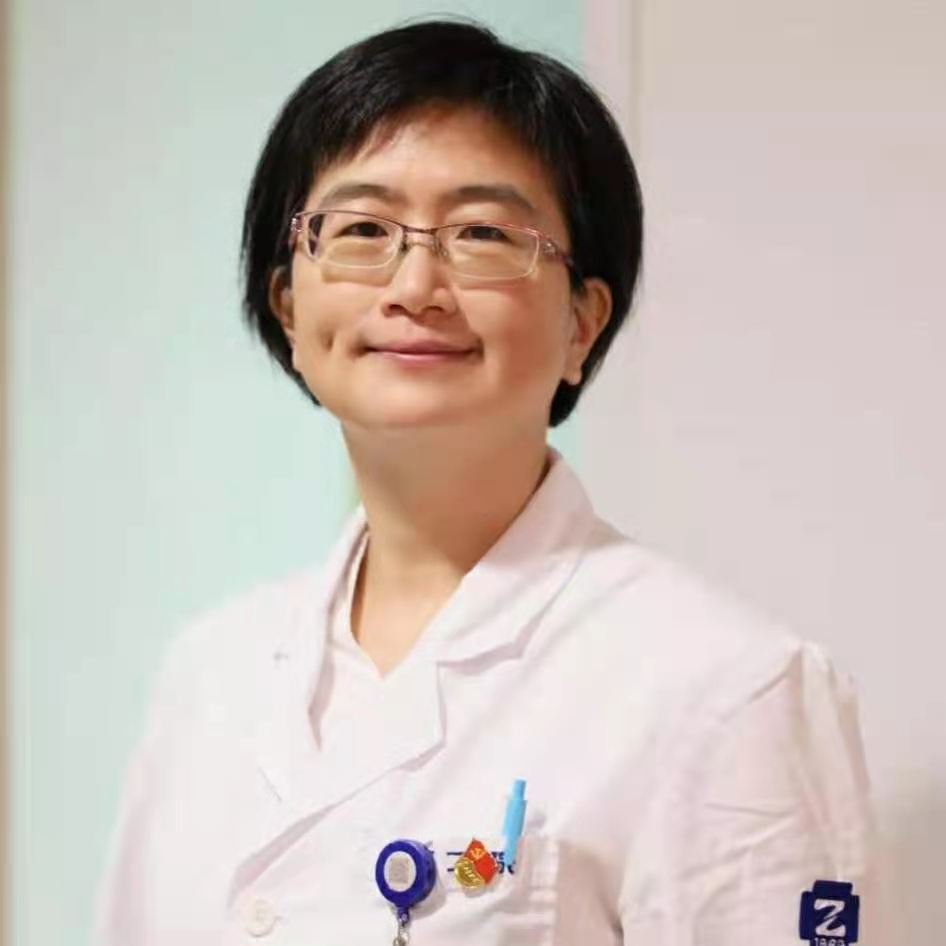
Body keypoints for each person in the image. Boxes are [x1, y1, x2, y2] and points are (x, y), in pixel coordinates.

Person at [94, 18, 882, 946]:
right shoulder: (208, 672)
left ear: (582, 323)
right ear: (289, 309)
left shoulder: (725, 688)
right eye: (361, 229)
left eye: (481, 233)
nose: (414, 285)